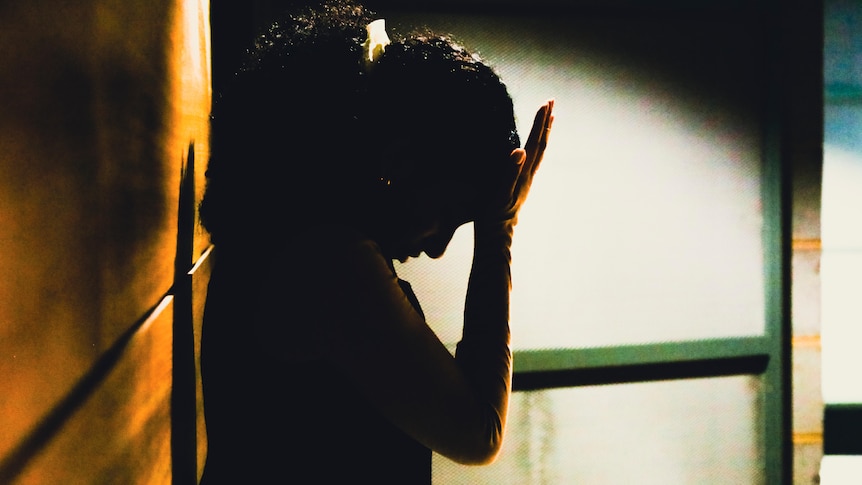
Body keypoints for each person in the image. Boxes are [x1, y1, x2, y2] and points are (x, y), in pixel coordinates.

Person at [198, 1, 553, 483]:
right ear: (401, 162)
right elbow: (478, 433)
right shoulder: (329, 262)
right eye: (448, 215)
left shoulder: (295, 233)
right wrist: (498, 231)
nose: (437, 247)